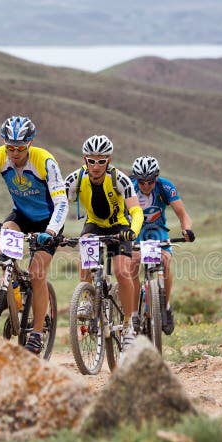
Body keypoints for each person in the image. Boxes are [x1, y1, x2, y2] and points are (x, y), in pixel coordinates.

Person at [0, 116, 68, 355]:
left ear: (29, 143)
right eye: (10, 147)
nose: (14, 153)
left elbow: (61, 202)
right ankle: (13, 296)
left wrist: (51, 231)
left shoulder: (45, 161)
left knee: (37, 274)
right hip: (21, 215)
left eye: (20, 148)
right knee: (4, 243)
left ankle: (38, 332)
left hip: (49, 220)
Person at [65, 134, 144, 353]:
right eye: (92, 160)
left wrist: (132, 232)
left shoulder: (120, 179)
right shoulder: (75, 179)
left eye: (101, 161)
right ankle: (88, 297)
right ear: (85, 159)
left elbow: (136, 211)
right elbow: (59, 206)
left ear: (108, 160)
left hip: (119, 227)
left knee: (121, 271)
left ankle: (128, 325)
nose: (96, 165)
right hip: (94, 225)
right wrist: (54, 231)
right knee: (86, 247)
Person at [129, 155, 195, 335]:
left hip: (158, 230)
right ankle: (134, 314)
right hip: (136, 231)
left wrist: (186, 230)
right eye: (141, 181)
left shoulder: (165, 186)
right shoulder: (129, 187)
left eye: (150, 181)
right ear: (136, 178)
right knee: (133, 263)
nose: (145, 186)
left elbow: (182, 214)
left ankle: (165, 306)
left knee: (165, 261)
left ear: (156, 178)